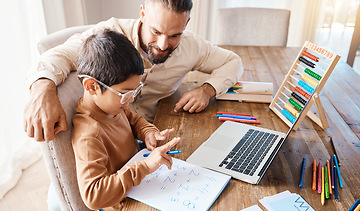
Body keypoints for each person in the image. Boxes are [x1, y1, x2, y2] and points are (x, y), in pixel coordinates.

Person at [24, 0, 243, 142]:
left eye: (175, 35)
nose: (163, 44)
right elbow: (57, 56)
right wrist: (42, 90)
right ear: (142, 13)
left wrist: (207, 90)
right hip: (106, 141)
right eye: (155, 31)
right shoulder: (108, 36)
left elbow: (233, 62)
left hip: (153, 133)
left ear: (187, 23)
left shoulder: (192, 46)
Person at [72, 29, 181, 211]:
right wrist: (144, 167)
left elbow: (133, 119)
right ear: (92, 86)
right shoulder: (89, 135)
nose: (130, 100)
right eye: (124, 93)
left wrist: (147, 131)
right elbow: (93, 195)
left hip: (139, 182)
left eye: (135, 91)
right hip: (119, 206)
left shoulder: (113, 106)